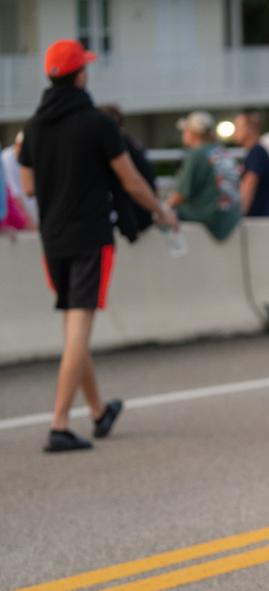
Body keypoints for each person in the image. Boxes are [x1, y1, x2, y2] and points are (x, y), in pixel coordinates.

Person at [18, 39, 177, 453]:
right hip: (90, 237)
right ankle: (58, 425)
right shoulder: (97, 124)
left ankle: (99, 411)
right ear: (80, 75)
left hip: (52, 239)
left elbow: (29, 186)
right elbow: (131, 182)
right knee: (79, 329)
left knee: (72, 327)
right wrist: (162, 212)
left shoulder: (34, 126)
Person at [168, 110, 240, 241]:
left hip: (211, 217)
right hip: (231, 216)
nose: (184, 134)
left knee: (165, 215)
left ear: (193, 133)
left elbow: (180, 195)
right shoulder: (221, 151)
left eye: (186, 130)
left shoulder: (196, 154)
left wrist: (161, 209)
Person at [100, 104, 158, 242]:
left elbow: (129, 184)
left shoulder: (118, 145)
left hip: (135, 218)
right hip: (143, 214)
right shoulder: (131, 142)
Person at [232, 112, 269, 218]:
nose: (235, 132)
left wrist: (239, 214)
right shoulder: (256, 152)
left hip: (258, 219)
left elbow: (249, 184)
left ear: (249, 129)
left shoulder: (256, 153)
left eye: (238, 128)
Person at [2, 131, 38, 224]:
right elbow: (14, 194)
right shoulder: (6, 158)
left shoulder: (31, 155)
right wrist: (27, 221)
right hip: (18, 216)